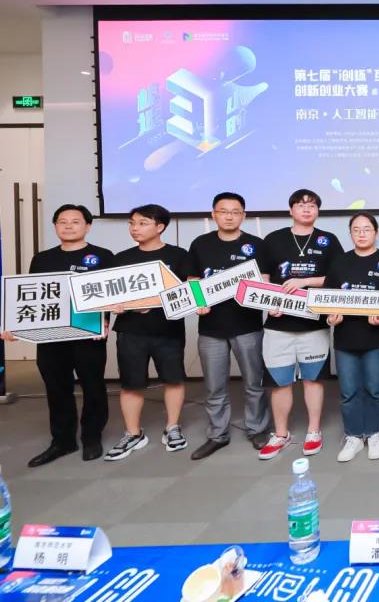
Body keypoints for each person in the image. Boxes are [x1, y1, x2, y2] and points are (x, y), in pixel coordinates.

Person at [2, 205, 114, 465]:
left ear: (87, 226)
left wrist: (105, 321)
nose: (68, 226)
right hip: (51, 337)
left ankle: (92, 437)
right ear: (55, 226)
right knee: (56, 389)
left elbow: (111, 293)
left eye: (75, 221)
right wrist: (16, 325)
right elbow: (31, 296)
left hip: (88, 335)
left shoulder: (103, 256)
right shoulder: (42, 258)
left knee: (93, 386)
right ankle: (62, 441)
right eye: (62, 221)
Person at [256, 189, 344, 460]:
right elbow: (263, 277)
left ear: (318, 210)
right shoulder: (274, 239)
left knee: (313, 380)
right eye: (301, 204)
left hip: (314, 324)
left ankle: (313, 431)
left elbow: (338, 276)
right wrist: (269, 302)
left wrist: (305, 281)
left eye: (312, 205)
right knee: (279, 381)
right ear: (291, 210)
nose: (307, 209)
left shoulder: (328, 240)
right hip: (278, 324)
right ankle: (281, 433)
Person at [187, 192, 273, 460]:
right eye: (223, 211)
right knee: (214, 386)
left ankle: (257, 429)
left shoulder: (256, 245)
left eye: (235, 212)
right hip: (210, 327)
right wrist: (199, 301)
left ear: (243, 215)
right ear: (213, 214)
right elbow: (193, 279)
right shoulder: (200, 244)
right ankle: (217, 434)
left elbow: (265, 281)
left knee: (254, 383)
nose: (229, 216)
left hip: (247, 325)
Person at [104, 204, 191, 461]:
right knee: (131, 383)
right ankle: (133, 433)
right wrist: (118, 307)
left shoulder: (179, 255)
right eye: (132, 223)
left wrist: (157, 303)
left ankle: (172, 427)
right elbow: (109, 295)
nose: (135, 228)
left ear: (160, 227)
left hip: (168, 329)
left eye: (142, 223)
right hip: (131, 331)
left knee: (173, 379)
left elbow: (189, 291)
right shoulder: (121, 258)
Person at [325, 212, 379, 463]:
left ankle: (374, 433)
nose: (361, 234)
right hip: (346, 338)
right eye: (356, 230)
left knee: (375, 389)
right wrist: (331, 316)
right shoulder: (340, 262)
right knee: (349, 391)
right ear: (350, 233)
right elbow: (328, 298)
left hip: (377, 338)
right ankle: (353, 436)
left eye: (367, 229)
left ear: (376, 232)